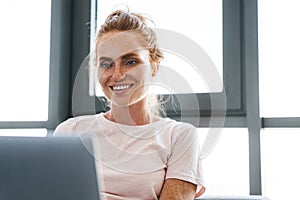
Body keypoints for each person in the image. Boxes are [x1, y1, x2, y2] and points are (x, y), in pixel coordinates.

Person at [54, 9, 205, 200]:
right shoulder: (71, 131)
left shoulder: (179, 136)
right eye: (106, 64)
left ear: (154, 66)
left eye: (130, 61)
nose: (117, 75)